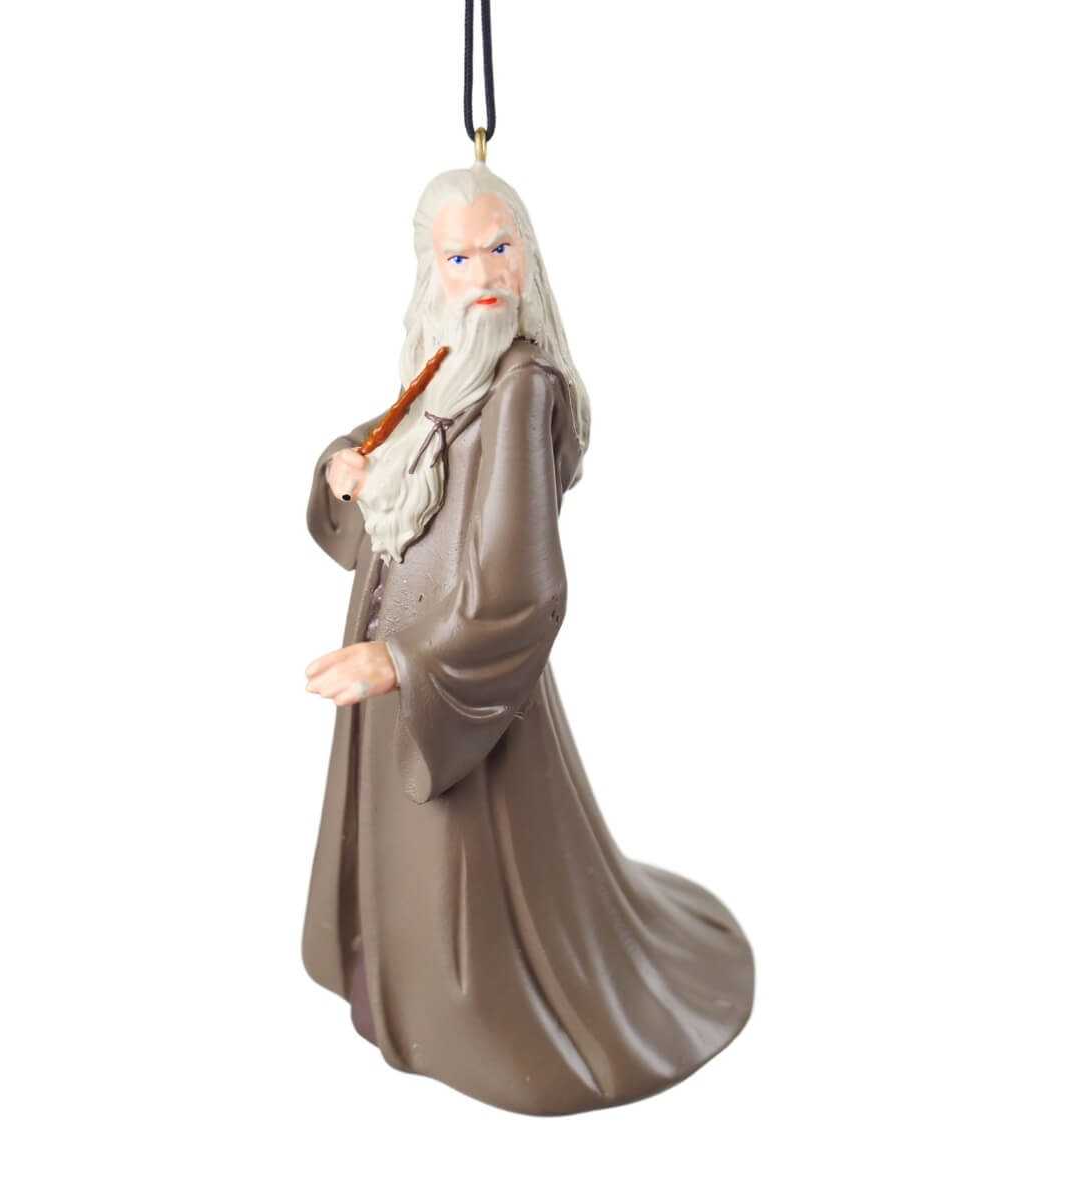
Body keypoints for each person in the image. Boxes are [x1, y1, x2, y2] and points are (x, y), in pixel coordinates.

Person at [300, 163, 754, 1116]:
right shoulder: (447, 360)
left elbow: (522, 584)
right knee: (398, 834)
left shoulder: (522, 386)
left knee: (463, 845)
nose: (482, 274)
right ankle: (400, 979)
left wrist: (406, 662)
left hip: (452, 671)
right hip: (398, 644)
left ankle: (464, 1011)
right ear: (431, 270)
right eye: (458, 257)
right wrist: (350, 467)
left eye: (499, 247)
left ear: (528, 253)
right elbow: (408, 439)